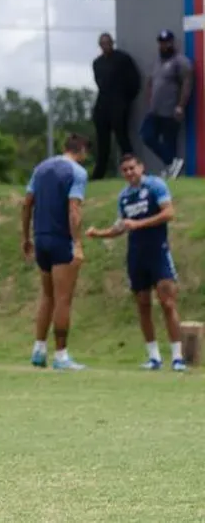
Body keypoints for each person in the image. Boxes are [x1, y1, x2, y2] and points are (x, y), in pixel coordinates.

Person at [85, 155, 186, 371]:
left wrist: (139, 224)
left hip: (158, 251)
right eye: (125, 170)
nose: (129, 173)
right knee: (143, 304)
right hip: (136, 255)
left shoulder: (155, 185)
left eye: (132, 168)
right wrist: (98, 233)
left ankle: (178, 357)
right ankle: (154, 357)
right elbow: (121, 227)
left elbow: (169, 213)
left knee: (167, 302)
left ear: (141, 167)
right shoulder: (124, 196)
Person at [21, 133, 91, 371]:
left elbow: (27, 202)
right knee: (63, 299)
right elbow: (74, 209)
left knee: (47, 297)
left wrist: (25, 237)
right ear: (82, 150)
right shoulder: (77, 172)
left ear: (64, 147)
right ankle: (61, 356)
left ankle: (39, 351)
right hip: (61, 240)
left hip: (41, 238)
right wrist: (78, 243)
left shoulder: (41, 168)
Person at [140, 29, 194, 179]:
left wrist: (181, 106)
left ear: (172, 43)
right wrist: (149, 100)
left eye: (167, 42)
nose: (164, 45)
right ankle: (172, 163)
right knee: (147, 136)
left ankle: (171, 168)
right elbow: (151, 82)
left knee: (169, 141)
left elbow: (187, 83)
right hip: (154, 109)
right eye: (161, 43)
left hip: (171, 109)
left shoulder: (180, 61)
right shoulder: (157, 61)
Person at [91, 32, 140, 180]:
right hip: (103, 104)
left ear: (112, 43)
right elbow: (99, 83)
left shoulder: (123, 59)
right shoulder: (97, 63)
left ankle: (132, 169)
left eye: (108, 42)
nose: (106, 46)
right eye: (103, 43)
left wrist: (125, 101)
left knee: (122, 138)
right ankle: (99, 174)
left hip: (119, 104)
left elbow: (135, 82)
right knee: (102, 142)